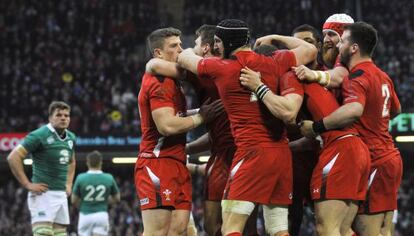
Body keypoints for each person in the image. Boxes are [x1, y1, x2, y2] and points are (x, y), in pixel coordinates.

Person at [178, 19, 317, 236]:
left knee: (231, 227)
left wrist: (193, 49)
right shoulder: (275, 61)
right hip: (281, 155)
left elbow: (184, 57)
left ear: (225, 42)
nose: (216, 47)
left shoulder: (221, 68)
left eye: (217, 42)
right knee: (278, 229)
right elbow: (310, 50)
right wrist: (277, 38)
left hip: (251, 153)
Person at [300, 22, 402, 236]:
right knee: (383, 231)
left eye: (343, 41)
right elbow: (396, 109)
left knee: (369, 232)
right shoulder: (382, 75)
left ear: (353, 48)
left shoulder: (356, 76)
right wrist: (374, 121)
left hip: (375, 157)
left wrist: (317, 126)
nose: (338, 47)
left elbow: (354, 109)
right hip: (389, 157)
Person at [135, 27, 223, 236]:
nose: (181, 50)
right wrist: (202, 117)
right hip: (157, 163)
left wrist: (198, 111)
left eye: (181, 44)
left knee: (178, 231)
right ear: (158, 53)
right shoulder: (160, 81)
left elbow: (178, 113)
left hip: (177, 163)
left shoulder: (172, 80)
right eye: (174, 46)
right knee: (157, 233)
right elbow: (167, 126)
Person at [7, 101, 76, 236]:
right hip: (43, 195)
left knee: (60, 234)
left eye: (66, 115)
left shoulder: (71, 137)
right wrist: (27, 184)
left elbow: (71, 161)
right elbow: (13, 157)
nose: (63, 118)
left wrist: (69, 183)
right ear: (50, 118)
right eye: (59, 115)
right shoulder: (39, 135)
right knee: (43, 233)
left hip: (61, 195)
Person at [293, 13, 354, 89]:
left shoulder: (347, 59)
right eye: (324, 35)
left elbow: (339, 77)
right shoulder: (325, 68)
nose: (326, 40)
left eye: (331, 34)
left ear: (344, 37)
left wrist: (313, 75)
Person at [71, 151, 120, 236]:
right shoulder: (108, 178)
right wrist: (104, 202)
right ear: (101, 162)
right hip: (101, 215)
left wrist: (83, 205)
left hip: (85, 215)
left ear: (87, 162)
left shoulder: (80, 178)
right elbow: (117, 198)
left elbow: (73, 200)